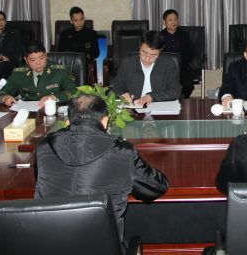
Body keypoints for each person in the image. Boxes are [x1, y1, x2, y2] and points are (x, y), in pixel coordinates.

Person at [35, 94, 169, 241]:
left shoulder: (44, 147)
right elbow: (156, 186)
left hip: (49, 244)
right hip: (102, 246)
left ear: (68, 121)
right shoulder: (122, 151)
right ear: (105, 121)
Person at [110, 31, 181, 106]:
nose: (147, 58)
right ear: (139, 47)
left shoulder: (168, 65)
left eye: (153, 55)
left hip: (159, 106)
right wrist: (122, 94)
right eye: (144, 52)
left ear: (160, 52)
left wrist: (152, 96)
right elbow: (114, 87)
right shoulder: (127, 63)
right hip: (133, 108)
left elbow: (175, 91)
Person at [0, 42, 77, 107]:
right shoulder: (19, 73)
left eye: (41, 58)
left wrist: (54, 97)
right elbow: (1, 92)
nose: (38, 63)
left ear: (46, 56)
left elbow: (73, 91)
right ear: (26, 60)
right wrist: (4, 98)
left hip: (53, 110)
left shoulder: (60, 71)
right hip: (27, 113)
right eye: (33, 60)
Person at [159, 9, 195, 98]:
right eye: (170, 20)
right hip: (165, 68)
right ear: (164, 22)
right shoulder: (159, 36)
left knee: (188, 85)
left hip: (182, 67)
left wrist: (181, 63)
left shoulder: (184, 35)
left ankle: (182, 98)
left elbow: (191, 52)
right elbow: (157, 53)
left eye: (175, 19)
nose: (173, 22)